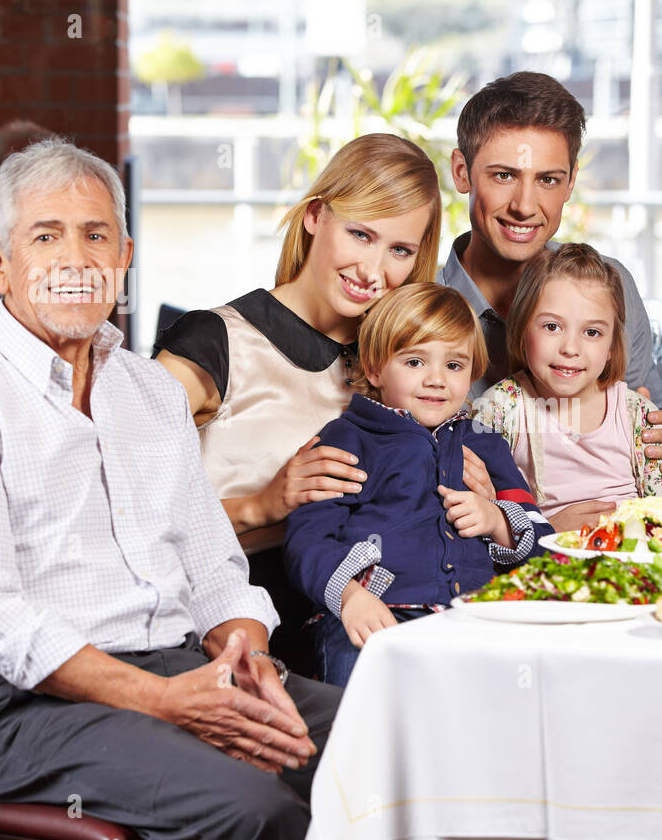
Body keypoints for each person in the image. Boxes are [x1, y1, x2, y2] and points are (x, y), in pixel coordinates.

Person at [0, 138, 342, 840]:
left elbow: (214, 569)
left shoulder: (152, 391)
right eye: (47, 236)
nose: (77, 259)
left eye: (96, 235)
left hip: (187, 667)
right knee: (258, 809)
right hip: (26, 710)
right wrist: (166, 702)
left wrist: (245, 661)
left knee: (381, 747)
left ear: (123, 256)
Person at [154, 134, 444, 671]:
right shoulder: (212, 342)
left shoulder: (399, 368)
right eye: (360, 234)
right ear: (315, 216)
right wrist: (260, 506)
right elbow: (122, 514)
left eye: (399, 250)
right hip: (227, 639)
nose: (372, 271)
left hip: (363, 633)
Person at [438, 71, 662, 530]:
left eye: (548, 179)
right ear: (461, 172)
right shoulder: (421, 311)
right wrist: (545, 528)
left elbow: (649, 419)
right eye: (504, 175)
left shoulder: (611, 286)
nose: (525, 205)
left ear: (571, 181)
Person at [284, 284, 552, 686]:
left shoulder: (484, 442)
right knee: (358, 683)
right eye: (414, 362)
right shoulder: (347, 439)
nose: (436, 380)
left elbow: (545, 543)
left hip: (473, 617)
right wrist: (349, 596)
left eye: (455, 366)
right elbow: (307, 538)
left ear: (473, 374)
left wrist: (497, 520)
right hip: (374, 612)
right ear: (374, 369)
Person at [474, 243, 662, 520]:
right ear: (523, 330)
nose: (570, 348)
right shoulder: (500, 408)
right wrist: (548, 529)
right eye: (552, 327)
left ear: (611, 347)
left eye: (592, 332)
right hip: (543, 558)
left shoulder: (637, 414)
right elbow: (485, 517)